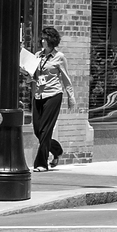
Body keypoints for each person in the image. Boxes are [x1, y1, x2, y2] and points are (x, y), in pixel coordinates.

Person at [29, 25, 73, 171]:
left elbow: (66, 78)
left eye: (45, 39)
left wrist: (70, 96)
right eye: (42, 38)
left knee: (46, 130)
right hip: (39, 94)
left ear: (51, 41)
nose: (42, 41)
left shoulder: (59, 57)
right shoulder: (37, 56)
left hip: (53, 94)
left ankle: (41, 164)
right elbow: (35, 76)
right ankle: (56, 150)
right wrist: (29, 76)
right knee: (37, 129)